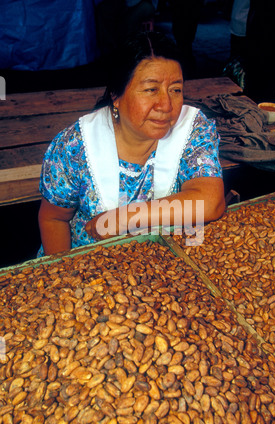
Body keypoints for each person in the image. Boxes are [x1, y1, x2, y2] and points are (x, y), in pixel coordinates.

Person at [38, 31, 225, 256]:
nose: (166, 105)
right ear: (116, 95)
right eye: (151, 89)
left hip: (164, 270)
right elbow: (53, 218)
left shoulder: (193, 129)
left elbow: (210, 201)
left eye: (175, 90)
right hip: (87, 267)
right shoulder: (75, 146)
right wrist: (65, 274)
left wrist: (124, 218)